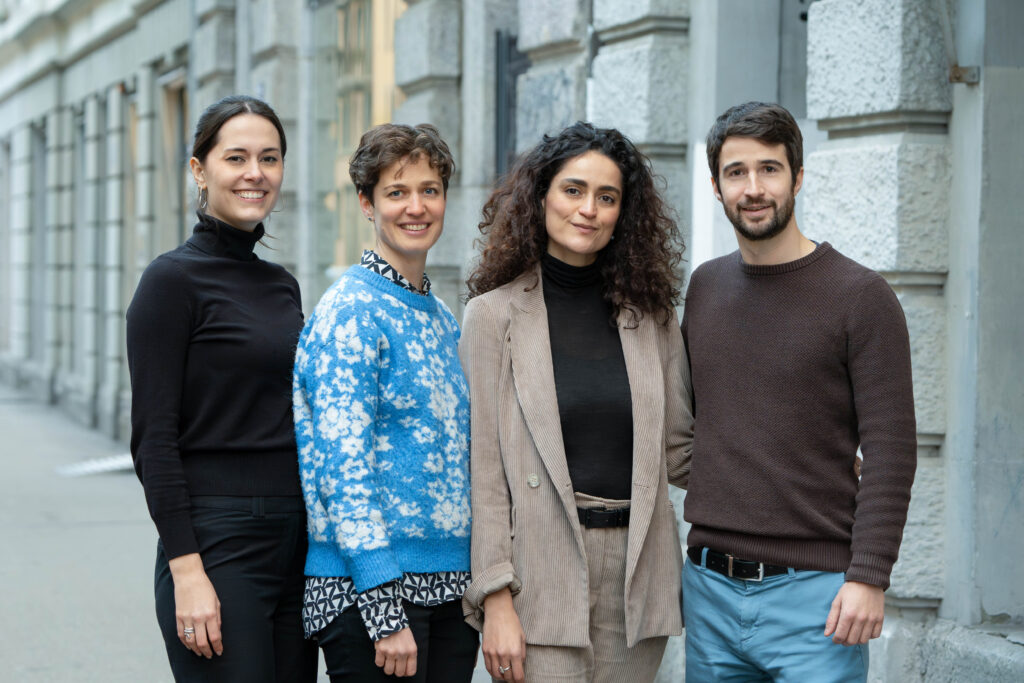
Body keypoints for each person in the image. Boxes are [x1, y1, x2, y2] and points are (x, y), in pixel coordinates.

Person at [681, 101, 917, 682]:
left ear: (799, 177)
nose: (753, 188)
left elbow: (891, 449)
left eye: (770, 169)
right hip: (708, 590)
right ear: (716, 186)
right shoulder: (705, 288)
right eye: (736, 172)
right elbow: (700, 424)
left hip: (816, 601)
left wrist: (868, 575)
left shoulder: (860, 296)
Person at [460, 121, 693, 683]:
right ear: (540, 198)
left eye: (606, 197)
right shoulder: (492, 316)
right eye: (573, 190)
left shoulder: (653, 318)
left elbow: (681, 450)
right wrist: (495, 599)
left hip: (638, 573)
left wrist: (813, 462)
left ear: (622, 215)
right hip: (538, 572)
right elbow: (483, 471)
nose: (589, 209)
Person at [126, 95, 318, 682]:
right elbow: (152, 441)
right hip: (218, 543)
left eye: (269, 157)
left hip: (297, 542)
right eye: (236, 157)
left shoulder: (281, 285)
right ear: (199, 169)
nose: (255, 173)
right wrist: (187, 570)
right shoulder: (169, 282)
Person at [292, 123, 478, 682]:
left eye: (429, 190)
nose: (415, 207)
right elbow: (342, 468)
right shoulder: (351, 311)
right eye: (397, 192)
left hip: (449, 590)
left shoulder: (441, 317)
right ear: (366, 203)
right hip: (370, 594)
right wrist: (382, 608)